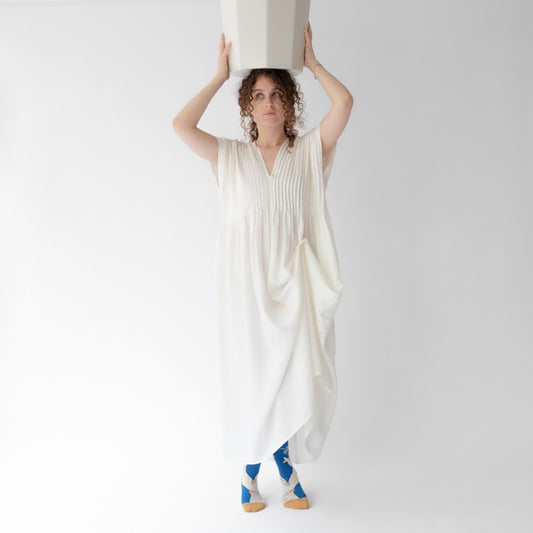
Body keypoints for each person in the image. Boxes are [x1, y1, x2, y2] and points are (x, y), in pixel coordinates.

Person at [172, 23, 353, 512]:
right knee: (253, 381)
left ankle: (268, 469)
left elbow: (344, 103)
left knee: (291, 381)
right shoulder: (229, 156)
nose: (268, 102)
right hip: (245, 292)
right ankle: (264, 473)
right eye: (258, 95)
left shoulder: (310, 152)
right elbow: (181, 126)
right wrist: (219, 76)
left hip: (295, 289)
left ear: (290, 103)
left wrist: (312, 63)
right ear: (247, 107)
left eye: (277, 94)